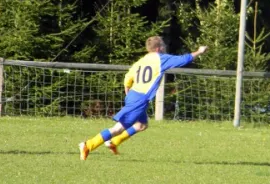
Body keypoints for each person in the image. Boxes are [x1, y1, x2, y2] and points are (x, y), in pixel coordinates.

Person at [79, 36, 208, 161]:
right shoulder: (160, 59)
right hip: (139, 99)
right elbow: (183, 59)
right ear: (158, 48)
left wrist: (129, 91)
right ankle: (88, 145)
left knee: (141, 125)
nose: (164, 47)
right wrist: (199, 51)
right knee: (118, 128)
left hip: (134, 95)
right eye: (163, 45)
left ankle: (114, 142)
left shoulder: (141, 61)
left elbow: (128, 77)